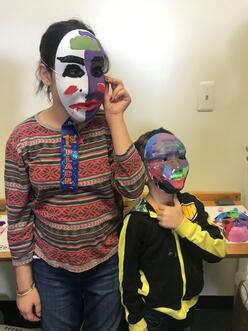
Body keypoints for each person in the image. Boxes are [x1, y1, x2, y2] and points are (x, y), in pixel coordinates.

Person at [4, 19, 146, 331]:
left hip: (106, 263)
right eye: (71, 70)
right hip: (51, 268)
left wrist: (116, 119)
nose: (85, 83)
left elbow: (134, 188)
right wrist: (24, 287)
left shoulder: (107, 127)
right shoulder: (22, 139)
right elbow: (18, 216)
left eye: (95, 70)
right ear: (46, 74)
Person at [118, 128, 226, 331]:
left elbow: (218, 250)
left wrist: (182, 225)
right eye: (164, 159)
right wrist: (135, 322)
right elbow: (127, 277)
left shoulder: (192, 206)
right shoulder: (137, 220)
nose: (176, 165)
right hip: (154, 317)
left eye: (181, 155)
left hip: (190, 310)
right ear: (144, 170)